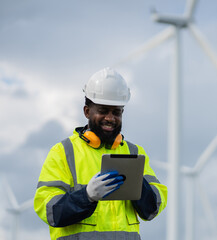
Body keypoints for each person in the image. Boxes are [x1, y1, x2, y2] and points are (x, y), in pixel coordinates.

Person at [34, 67, 167, 240]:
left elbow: (153, 208)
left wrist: (137, 184)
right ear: (87, 111)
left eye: (116, 112)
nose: (110, 118)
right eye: (103, 111)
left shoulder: (135, 153)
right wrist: (86, 196)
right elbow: (49, 211)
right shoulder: (63, 152)